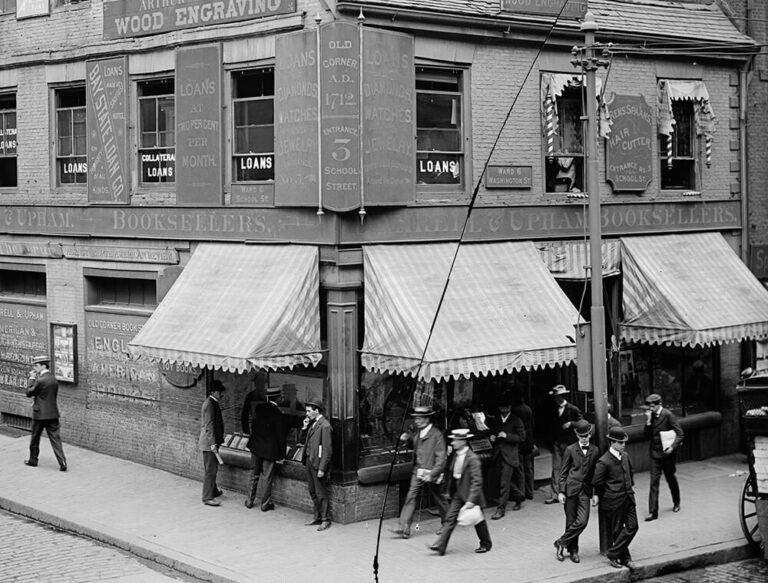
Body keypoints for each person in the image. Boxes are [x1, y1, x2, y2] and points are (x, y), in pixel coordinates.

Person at [429, 428, 492, 556]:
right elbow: (452, 473)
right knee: (450, 518)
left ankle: (486, 543)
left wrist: (471, 500)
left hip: (470, 494)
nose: (452, 443)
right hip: (458, 493)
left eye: (455, 441)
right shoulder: (456, 455)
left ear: (463, 441)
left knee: (478, 520)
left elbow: (477, 481)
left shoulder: (473, 458)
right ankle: (441, 545)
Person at [392, 405, 448, 539]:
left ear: (426, 419)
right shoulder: (418, 432)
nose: (416, 421)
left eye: (419, 418)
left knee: (439, 498)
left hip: (431, 471)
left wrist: (433, 473)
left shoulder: (437, 435)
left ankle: (447, 523)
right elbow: (417, 446)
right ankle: (404, 527)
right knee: (411, 495)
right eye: (416, 418)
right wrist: (408, 440)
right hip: (418, 470)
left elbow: (442, 458)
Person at [592, 426, 638, 570]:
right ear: (612, 442)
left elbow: (631, 472)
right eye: (620, 442)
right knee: (617, 531)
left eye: (624, 442)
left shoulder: (625, 456)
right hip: (613, 501)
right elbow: (596, 482)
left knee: (633, 526)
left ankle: (612, 553)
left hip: (628, 498)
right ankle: (626, 558)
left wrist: (629, 486)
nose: (623, 445)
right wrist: (601, 496)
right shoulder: (604, 461)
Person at [553, 419, 599, 564]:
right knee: (571, 521)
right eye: (581, 436)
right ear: (576, 435)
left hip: (585, 491)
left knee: (582, 521)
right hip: (570, 489)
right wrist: (561, 491)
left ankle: (561, 542)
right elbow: (563, 472)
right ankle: (573, 551)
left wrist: (596, 493)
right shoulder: (570, 449)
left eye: (586, 436)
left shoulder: (595, 450)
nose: (584, 439)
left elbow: (597, 475)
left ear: (590, 434)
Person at [241, 384, 285, 511]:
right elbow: (280, 437)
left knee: (254, 474)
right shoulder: (279, 414)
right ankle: (265, 504)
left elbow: (254, 426)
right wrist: (281, 455)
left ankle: (249, 500)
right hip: (269, 450)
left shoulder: (259, 408)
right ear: (278, 398)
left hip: (256, 447)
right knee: (267, 476)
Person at [643, 393, 684, 521]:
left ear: (659, 405)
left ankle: (676, 502)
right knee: (653, 482)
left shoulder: (668, 415)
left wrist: (672, 447)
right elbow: (646, 436)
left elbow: (680, 434)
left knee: (670, 478)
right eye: (649, 407)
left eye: (652, 407)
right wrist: (648, 421)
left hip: (667, 454)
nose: (650, 409)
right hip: (655, 454)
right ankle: (653, 512)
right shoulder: (651, 416)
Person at [24, 355, 67, 472]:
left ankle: (33, 460)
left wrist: (31, 379)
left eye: (36, 366)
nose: (34, 368)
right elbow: (48, 395)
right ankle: (62, 462)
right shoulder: (53, 379)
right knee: (56, 439)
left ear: (43, 365)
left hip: (40, 415)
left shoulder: (40, 380)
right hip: (53, 414)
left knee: (35, 439)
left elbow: (29, 392)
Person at [489, 395, 526, 519]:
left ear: (509, 408)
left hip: (510, 455)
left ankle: (501, 510)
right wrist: (493, 437)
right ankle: (520, 496)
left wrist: (507, 436)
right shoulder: (497, 420)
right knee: (503, 481)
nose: (504, 410)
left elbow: (522, 437)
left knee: (504, 484)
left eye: (506, 407)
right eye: (502, 408)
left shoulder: (516, 420)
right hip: (498, 454)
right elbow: (494, 432)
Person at [545, 384, 583, 504]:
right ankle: (555, 494)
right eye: (556, 397)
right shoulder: (553, 409)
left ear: (563, 397)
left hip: (569, 443)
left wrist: (571, 424)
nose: (557, 399)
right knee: (556, 468)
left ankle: (571, 493)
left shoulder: (573, 409)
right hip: (557, 442)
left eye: (559, 397)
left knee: (570, 468)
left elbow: (583, 424)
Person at [301, 400, 333, 531]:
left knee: (321, 492)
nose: (307, 414)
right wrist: (304, 428)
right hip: (309, 461)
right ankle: (317, 516)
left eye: (309, 411)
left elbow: (327, 450)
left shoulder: (325, 426)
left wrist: (322, 468)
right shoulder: (313, 424)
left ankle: (325, 519)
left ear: (316, 411)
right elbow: (303, 441)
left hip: (317, 464)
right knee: (312, 491)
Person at [198, 380, 226, 507]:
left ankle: (213, 490)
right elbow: (209, 426)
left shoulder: (212, 402)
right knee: (210, 470)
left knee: (212, 468)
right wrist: (213, 444)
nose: (221, 394)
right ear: (213, 392)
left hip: (211, 442)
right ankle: (207, 497)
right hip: (210, 443)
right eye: (220, 392)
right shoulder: (209, 404)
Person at [511, 390, 535, 500]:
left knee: (520, 470)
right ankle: (530, 492)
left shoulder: (515, 410)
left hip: (520, 442)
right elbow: (532, 425)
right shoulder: (528, 409)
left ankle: (522, 493)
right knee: (528, 468)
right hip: (529, 441)